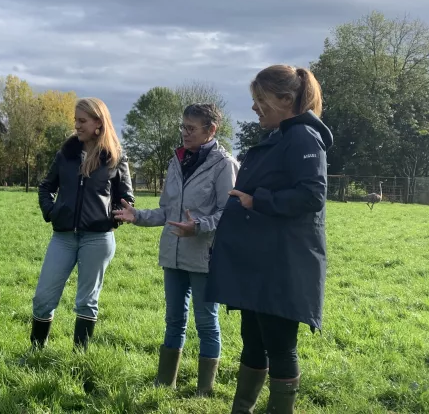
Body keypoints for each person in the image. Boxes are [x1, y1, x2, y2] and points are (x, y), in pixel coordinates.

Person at [204, 65, 332, 413]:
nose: (255, 107)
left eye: (261, 100)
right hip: (261, 261)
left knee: (279, 344)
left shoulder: (304, 137)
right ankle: (241, 409)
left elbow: (312, 194)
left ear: (286, 99)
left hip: (282, 263)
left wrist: (256, 200)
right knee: (253, 340)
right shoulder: (281, 136)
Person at [115, 103, 238, 396]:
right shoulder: (176, 161)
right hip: (173, 255)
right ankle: (164, 383)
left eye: (191, 128)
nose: (184, 133)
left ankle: (204, 390)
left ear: (211, 130)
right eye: (182, 127)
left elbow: (229, 214)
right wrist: (138, 216)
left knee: (207, 323)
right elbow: (167, 210)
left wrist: (198, 226)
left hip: (204, 257)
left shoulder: (225, 165)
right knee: (173, 320)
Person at [31, 97, 134, 351]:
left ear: (99, 122)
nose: (76, 126)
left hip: (98, 239)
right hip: (63, 237)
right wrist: (51, 212)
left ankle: (79, 357)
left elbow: (126, 199)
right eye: (75, 120)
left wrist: (111, 218)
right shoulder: (66, 154)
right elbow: (46, 186)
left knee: (87, 302)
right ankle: (35, 352)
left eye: (82, 121)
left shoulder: (116, 157)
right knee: (43, 298)